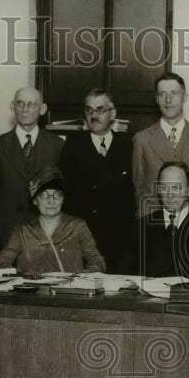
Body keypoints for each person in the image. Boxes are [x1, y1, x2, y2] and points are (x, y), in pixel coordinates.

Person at [59, 88, 136, 274]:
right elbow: (65, 195)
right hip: (84, 240)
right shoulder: (72, 147)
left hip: (120, 240)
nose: (94, 115)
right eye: (89, 110)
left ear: (113, 113)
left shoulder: (128, 146)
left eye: (100, 110)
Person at [0, 86, 65, 243]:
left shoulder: (57, 145)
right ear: (12, 106)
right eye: (20, 103)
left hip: (46, 233)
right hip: (6, 233)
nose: (25, 109)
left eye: (32, 104)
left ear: (42, 109)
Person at [0, 167, 106, 274]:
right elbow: (1, 261)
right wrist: (17, 275)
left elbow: (96, 259)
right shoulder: (22, 231)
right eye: (44, 195)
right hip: (32, 287)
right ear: (35, 201)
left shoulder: (77, 226)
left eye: (57, 195)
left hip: (70, 287)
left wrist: (86, 275)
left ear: (63, 199)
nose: (51, 201)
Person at [132, 73, 189, 215]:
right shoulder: (141, 140)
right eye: (162, 94)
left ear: (185, 97)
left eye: (174, 93)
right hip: (154, 222)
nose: (168, 100)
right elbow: (139, 190)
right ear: (157, 100)